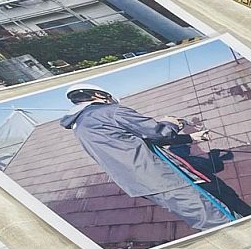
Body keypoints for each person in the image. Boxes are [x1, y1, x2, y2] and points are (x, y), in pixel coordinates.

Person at [60, 88, 239, 231]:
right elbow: (158, 133)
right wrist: (171, 122)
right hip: (160, 178)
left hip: (141, 185)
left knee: (203, 220)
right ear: (99, 95)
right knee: (218, 220)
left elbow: (138, 141)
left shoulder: (81, 126)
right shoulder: (109, 111)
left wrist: (190, 138)